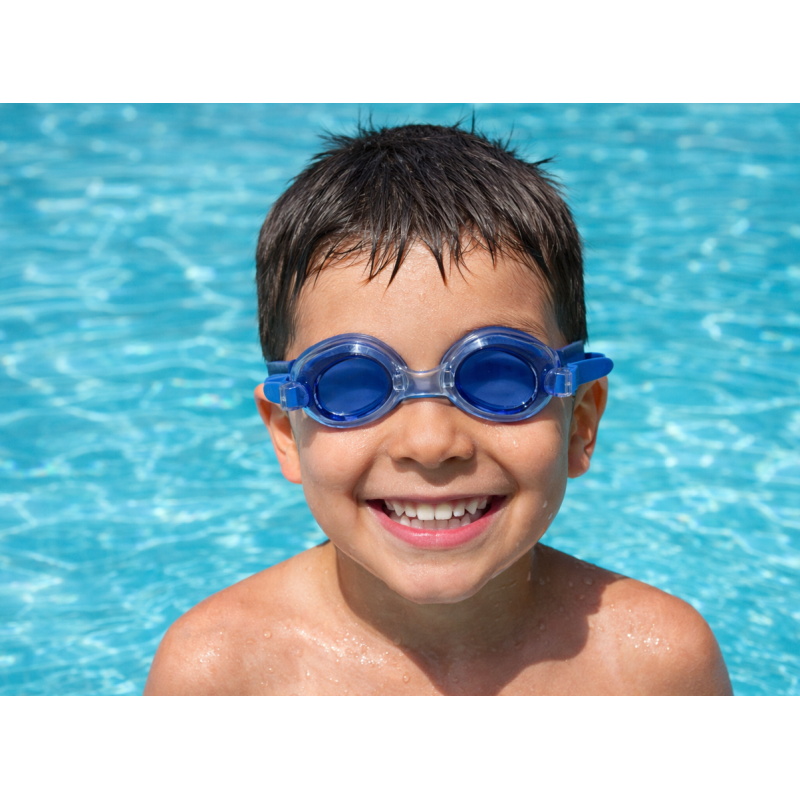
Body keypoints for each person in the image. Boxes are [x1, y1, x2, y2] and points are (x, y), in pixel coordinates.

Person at [145, 123, 732, 695]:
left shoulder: (655, 663)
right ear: (284, 432)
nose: (429, 442)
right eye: (351, 385)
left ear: (580, 419)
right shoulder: (222, 671)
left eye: (499, 376)